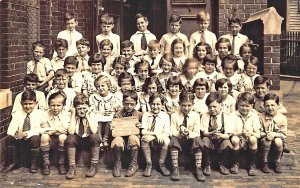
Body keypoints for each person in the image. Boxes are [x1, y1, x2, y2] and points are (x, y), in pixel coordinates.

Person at [1, 90, 43, 173]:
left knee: (35, 138)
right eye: (25, 104)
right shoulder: (17, 114)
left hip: (32, 141)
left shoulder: (40, 114)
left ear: (36, 103)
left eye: (30, 104)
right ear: (21, 104)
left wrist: (26, 133)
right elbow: (11, 129)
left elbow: (40, 129)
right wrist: (15, 134)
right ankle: (12, 162)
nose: (27, 106)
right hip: (20, 141)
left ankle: (34, 164)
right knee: (9, 138)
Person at [169, 91, 204, 182]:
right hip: (179, 140)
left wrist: (188, 133)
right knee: (173, 140)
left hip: (190, 141)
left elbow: (197, 132)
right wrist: (180, 132)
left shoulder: (195, 116)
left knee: (197, 140)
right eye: (184, 105)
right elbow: (172, 132)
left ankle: (198, 168)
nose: (186, 108)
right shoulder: (174, 116)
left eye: (189, 105)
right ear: (179, 104)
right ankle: (175, 168)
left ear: (193, 104)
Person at [65, 94, 100, 179]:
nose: (82, 111)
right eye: (79, 109)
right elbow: (71, 132)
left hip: (88, 140)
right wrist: (73, 114)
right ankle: (72, 166)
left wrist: (87, 115)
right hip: (77, 140)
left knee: (95, 137)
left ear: (88, 108)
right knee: (70, 138)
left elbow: (94, 131)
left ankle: (93, 166)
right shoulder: (71, 115)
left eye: (84, 108)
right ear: (75, 108)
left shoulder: (92, 115)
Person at [200, 92, 233, 176]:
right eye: (209, 107)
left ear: (221, 105)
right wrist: (210, 134)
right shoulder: (205, 116)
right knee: (204, 141)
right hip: (209, 139)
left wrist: (221, 135)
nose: (212, 109)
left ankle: (221, 164)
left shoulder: (226, 116)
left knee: (227, 143)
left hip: (220, 140)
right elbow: (204, 133)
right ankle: (208, 164)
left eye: (214, 106)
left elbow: (228, 134)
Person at [112, 90, 142, 177]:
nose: (129, 106)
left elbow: (144, 129)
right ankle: (117, 163)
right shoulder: (117, 115)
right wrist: (113, 128)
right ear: (122, 103)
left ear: (136, 103)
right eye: (126, 104)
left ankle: (134, 164)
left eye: (132, 104)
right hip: (122, 138)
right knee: (117, 141)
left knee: (133, 138)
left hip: (133, 138)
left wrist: (141, 126)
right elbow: (114, 130)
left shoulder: (139, 115)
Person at [230, 92, 261, 176]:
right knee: (235, 139)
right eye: (242, 105)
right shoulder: (233, 115)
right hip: (238, 138)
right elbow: (230, 132)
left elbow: (258, 134)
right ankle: (235, 162)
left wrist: (250, 133)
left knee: (253, 138)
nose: (244, 108)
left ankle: (252, 164)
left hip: (249, 139)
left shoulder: (254, 116)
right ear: (237, 105)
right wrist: (240, 133)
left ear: (252, 106)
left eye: (247, 106)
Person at [140, 93, 171, 177]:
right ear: (149, 104)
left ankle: (161, 164)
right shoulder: (146, 115)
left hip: (161, 138)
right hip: (151, 137)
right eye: (153, 104)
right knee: (144, 139)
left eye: (158, 104)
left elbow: (167, 132)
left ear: (162, 105)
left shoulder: (165, 116)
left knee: (167, 141)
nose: (155, 106)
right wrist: (155, 134)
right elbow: (143, 131)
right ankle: (149, 164)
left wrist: (157, 136)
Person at [40, 92, 69, 175]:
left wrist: (50, 130)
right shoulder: (45, 114)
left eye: (58, 105)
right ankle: (46, 164)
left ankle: (61, 164)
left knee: (62, 137)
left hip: (61, 141)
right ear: (49, 105)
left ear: (63, 106)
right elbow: (41, 129)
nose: (55, 108)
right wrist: (56, 129)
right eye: (53, 105)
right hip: (50, 140)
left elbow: (65, 129)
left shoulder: (66, 114)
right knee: (44, 136)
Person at [89, 75, 122, 149]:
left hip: (108, 115)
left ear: (108, 86)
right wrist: (100, 112)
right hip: (97, 114)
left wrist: (114, 109)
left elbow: (116, 107)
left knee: (109, 119)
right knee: (97, 120)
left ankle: (105, 139)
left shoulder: (112, 97)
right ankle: (99, 139)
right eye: (98, 86)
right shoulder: (93, 97)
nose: (100, 88)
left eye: (103, 86)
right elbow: (92, 108)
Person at [259, 93, 287, 174]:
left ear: (278, 105)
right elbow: (259, 131)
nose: (270, 108)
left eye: (273, 105)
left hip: (277, 139)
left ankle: (276, 162)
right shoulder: (260, 117)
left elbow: (284, 134)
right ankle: (264, 162)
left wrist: (274, 134)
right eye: (267, 105)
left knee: (278, 141)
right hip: (264, 140)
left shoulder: (282, 118)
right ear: (264, 106)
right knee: (266, 140)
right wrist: (266, 134)